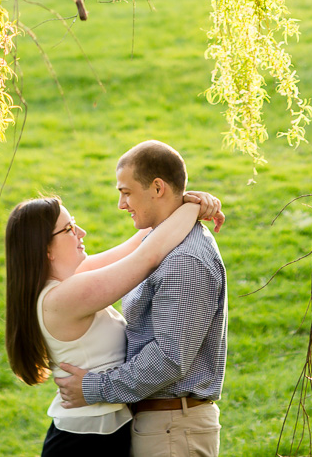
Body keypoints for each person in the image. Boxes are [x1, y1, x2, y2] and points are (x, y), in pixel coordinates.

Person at [4, 183, 223, 456]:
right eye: (69, 229)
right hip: (83, 444)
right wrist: (192, 207)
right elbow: (147, 256)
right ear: (45, 248)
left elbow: (140, 242)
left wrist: (180, 203)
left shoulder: (67, 283)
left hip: (101, 435)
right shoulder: (63, 297)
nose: (81, 232)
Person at [55, 140, 228, 457]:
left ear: (158, 188)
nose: (122, 204)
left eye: (126, 192)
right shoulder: (158, 242)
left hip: (174, 429)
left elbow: (169, 358)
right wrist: (191, 204)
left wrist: (95, 388)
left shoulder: (183, 261)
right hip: (160, 424)